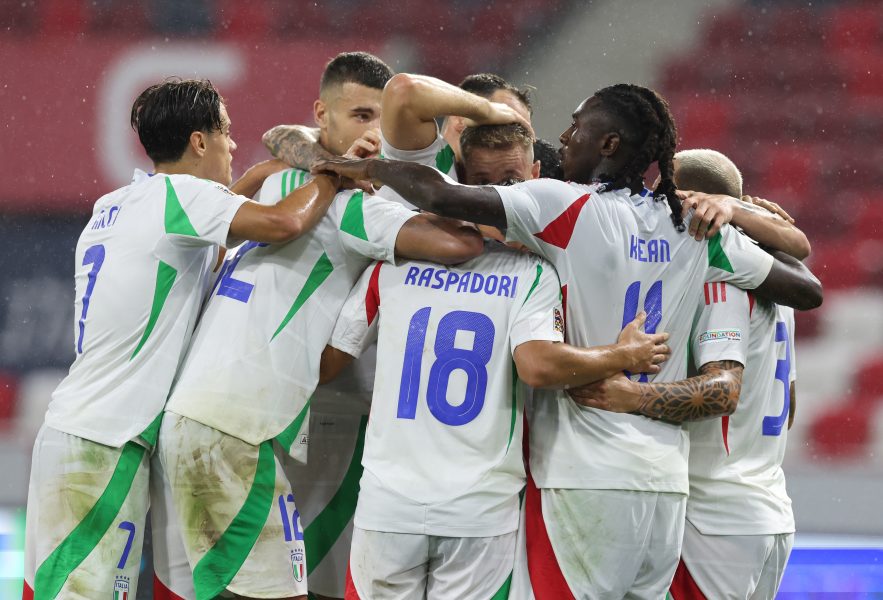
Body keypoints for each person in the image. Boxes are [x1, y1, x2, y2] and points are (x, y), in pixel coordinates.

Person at [313, 83, 822, 597]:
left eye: (577, 125)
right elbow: (805, 288)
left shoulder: (565, 207)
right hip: (665, 484)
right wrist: (736, 213)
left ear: (608, 144)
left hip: (584, 473)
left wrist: (364, 169)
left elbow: (441, 195)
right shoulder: (693, 224)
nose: (564, 135)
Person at [22, 77, 356, 600]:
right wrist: (337, 178)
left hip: (86, 431)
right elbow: (285, 222)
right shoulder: (182, 197)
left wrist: (290, 168)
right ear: (199, 141)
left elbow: (247, 188)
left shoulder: (119, 204)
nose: (231, 148)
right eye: (225, 134)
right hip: (106, 438)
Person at [155, 116, 489, 599]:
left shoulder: (278, 181)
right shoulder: (354, 210)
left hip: (213, 420)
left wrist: (336, 165)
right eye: (361, 122)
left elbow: (276, 143)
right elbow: (460, 243)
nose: (369, 139)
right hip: (234, 431)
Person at [320, 215, 668, 600]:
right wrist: (623, 354)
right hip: (481, 511)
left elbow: (327, 361)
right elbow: (540, 365)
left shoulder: (390, 264)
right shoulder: (532, 271)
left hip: (388, 504)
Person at [670, 149, 798, 599]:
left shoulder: (722, 282)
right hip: (768, 511)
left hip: (712, 520)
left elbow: (723, 393)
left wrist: (625, 395)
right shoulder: (775, 287)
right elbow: (791, 407)